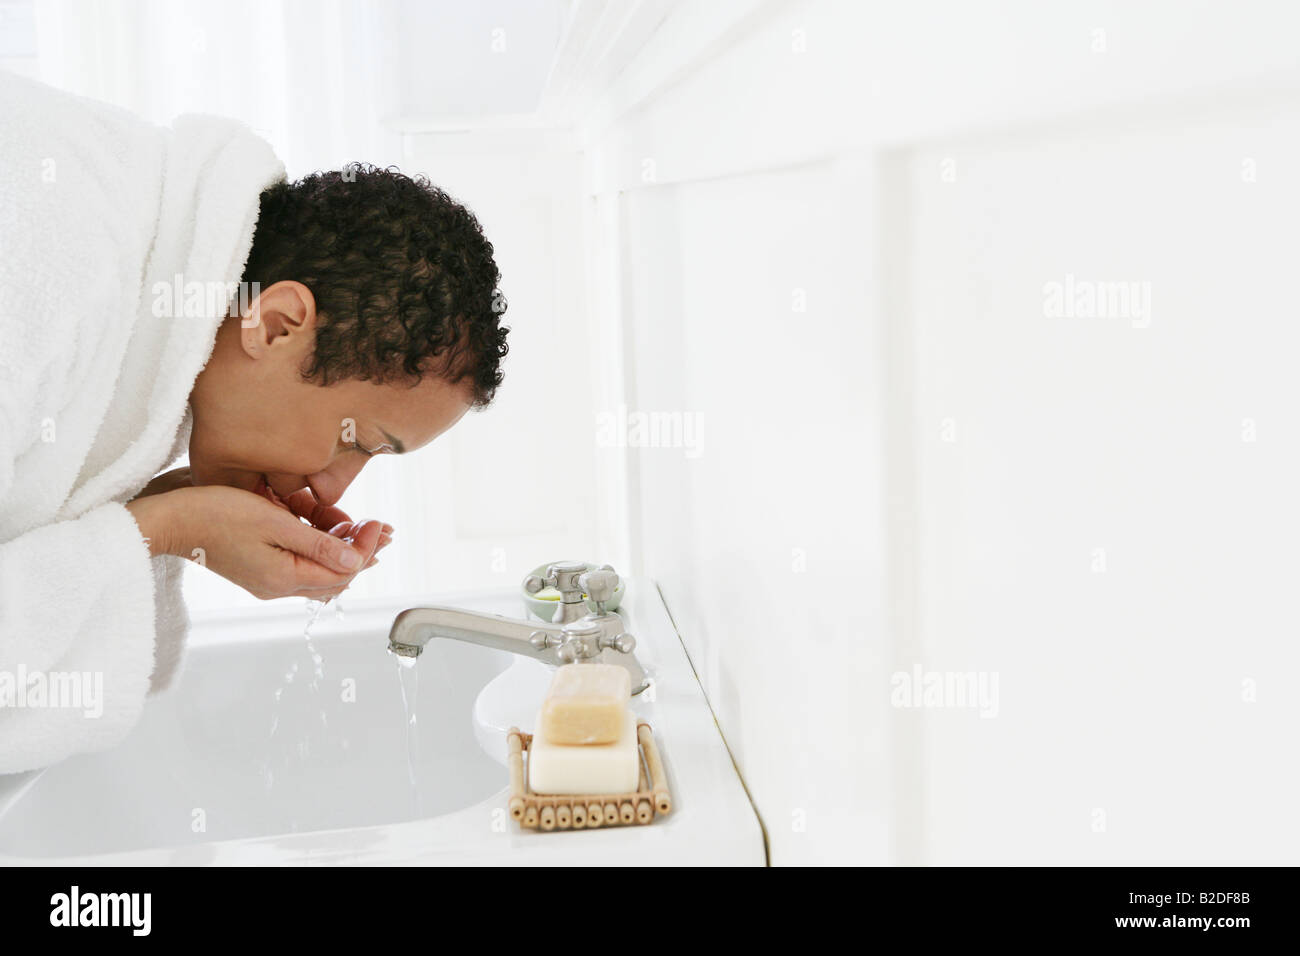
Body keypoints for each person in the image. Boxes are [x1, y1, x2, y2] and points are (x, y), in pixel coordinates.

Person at [0, 71, 509, 772]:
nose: (331, 492)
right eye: (354, 439)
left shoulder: (150, 293)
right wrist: (167, 528)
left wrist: (160, 516)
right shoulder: (44, 249)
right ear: (274, 325)